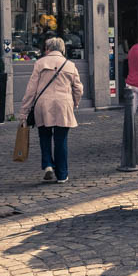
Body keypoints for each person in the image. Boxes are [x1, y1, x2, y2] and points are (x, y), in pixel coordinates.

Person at [19, 37, 83, 183]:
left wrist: (24, 112)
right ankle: (62, 174)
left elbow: (31, 89)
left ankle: (48, 164)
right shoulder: (70, 65)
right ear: (62, 49)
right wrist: (75, 103)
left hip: (43, 105)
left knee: (44, 137)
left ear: (47, 49)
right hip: (63, 105)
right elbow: (78, 88)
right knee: (61, 140)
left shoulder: (40, 63)